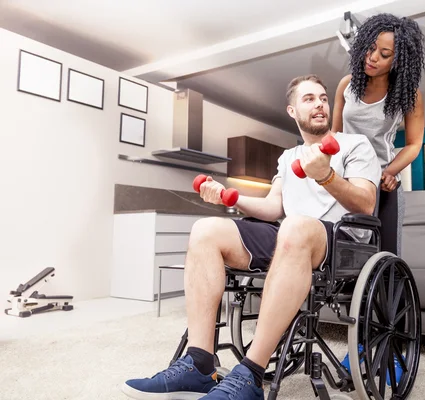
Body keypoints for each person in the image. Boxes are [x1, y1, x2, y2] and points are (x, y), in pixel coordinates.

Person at [121, 74, 381, 400]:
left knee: (296, 225)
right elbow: (274, 207)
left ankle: (250, 375)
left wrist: (326, 176)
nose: (319, 104)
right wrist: (230, 197)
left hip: (339, 242)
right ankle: (199, 364)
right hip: (289, 235)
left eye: (323, 98)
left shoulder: (355, 145)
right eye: (309, 99)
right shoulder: (288, 158)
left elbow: (366, 204)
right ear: (292, 111)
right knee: (206, 230)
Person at [331, 13, 425, 256]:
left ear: (398, 61)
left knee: (385, 257)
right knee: (343, 254)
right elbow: (335, 135)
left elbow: (414, 144)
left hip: (384, 185)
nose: (372, 58)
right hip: (346, 180)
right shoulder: (346, 85)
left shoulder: (408, 95)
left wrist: (389, 172)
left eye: (384, 55)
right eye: (370, 48)